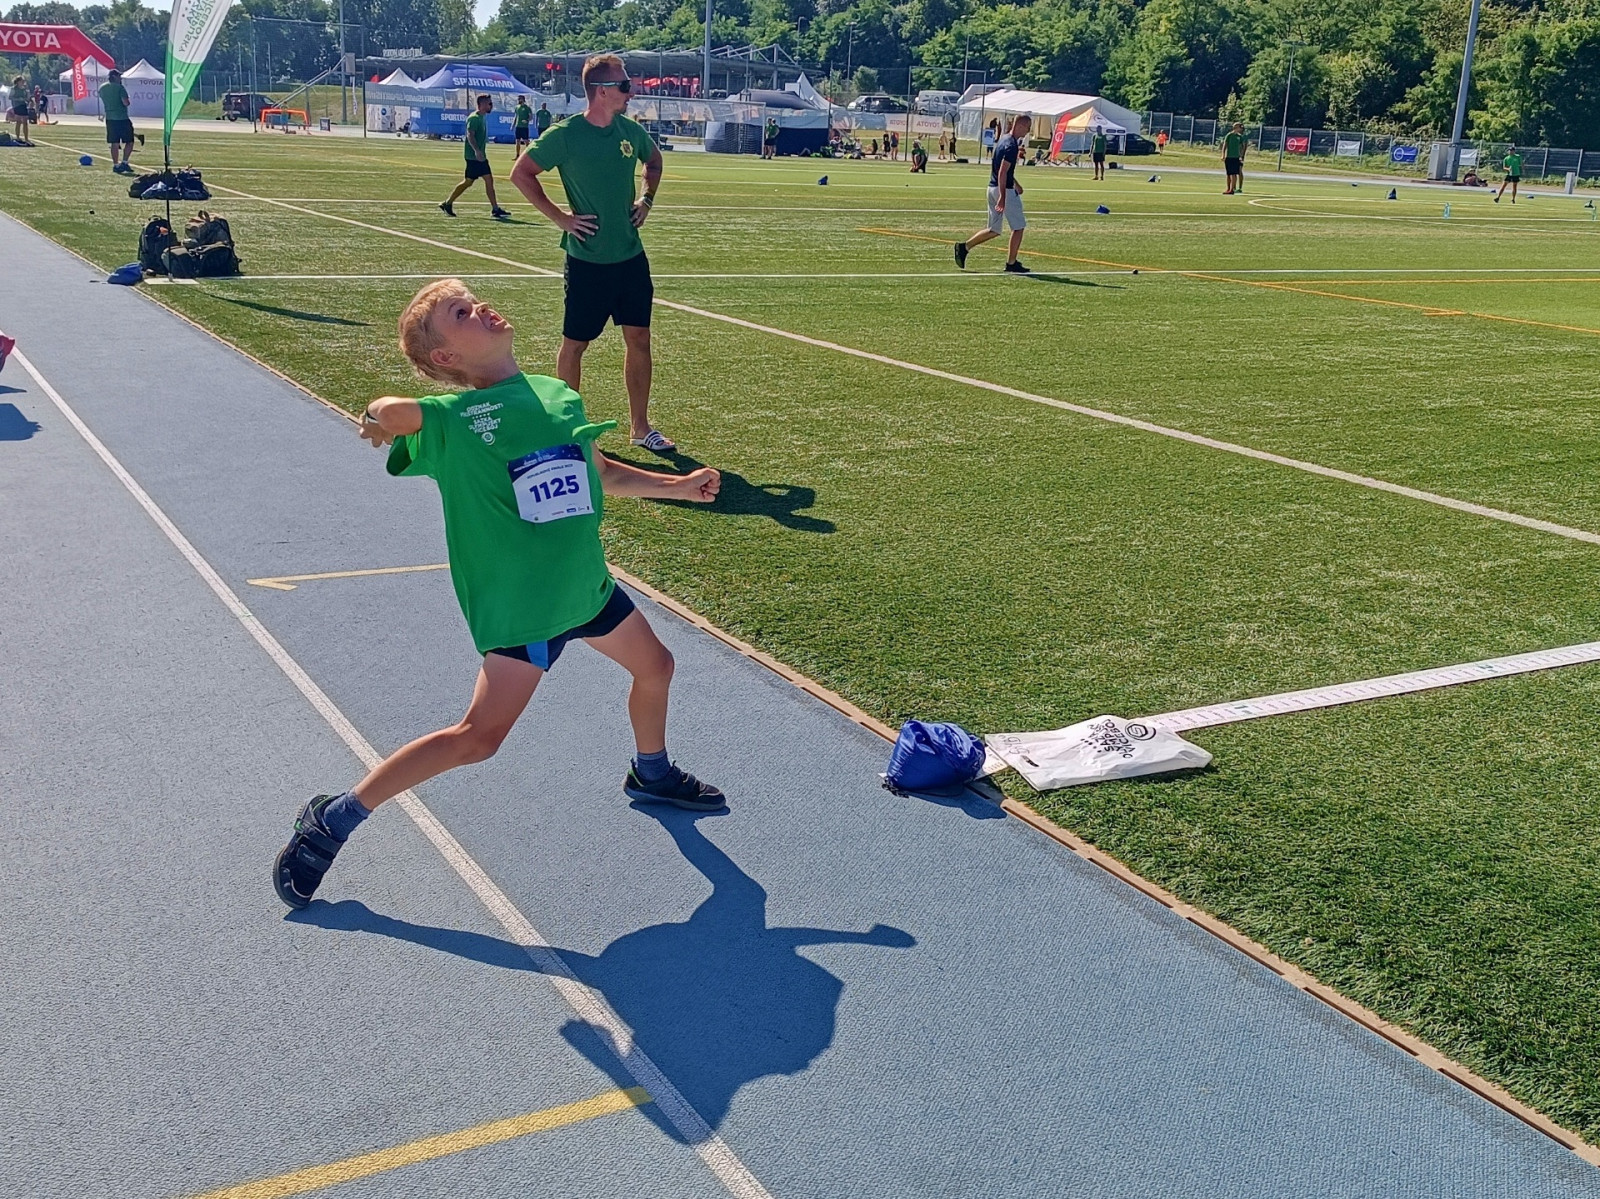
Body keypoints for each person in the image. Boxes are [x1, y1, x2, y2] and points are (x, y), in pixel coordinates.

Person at [272, 278, 726, 910]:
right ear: (445, 357)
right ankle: (334, 818)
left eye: (474, 299)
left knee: (656, 667)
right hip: (524, 613)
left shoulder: (556, 394)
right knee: (477, 739)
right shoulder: (451, 421)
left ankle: (651, 772)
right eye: (461, 312)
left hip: (587, 590)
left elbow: (596, 472)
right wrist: (377, 416)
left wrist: (676, 487)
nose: (479, 307)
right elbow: (393, 412)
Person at [512, 54, 675, 452]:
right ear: (601, 91)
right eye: (624, 86)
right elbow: (521, 173)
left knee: (639, 338)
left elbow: (654, 162)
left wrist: (646, 200)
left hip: (630, 257)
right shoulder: (566, 135)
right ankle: (566, 428)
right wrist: (561, 218)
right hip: (587, 261)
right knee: (575, 344)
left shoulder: (630, 131)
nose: (630, 92)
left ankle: (640, 428)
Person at [954, 113, 1031, 274]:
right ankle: (1011, 263)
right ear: (1020, 125)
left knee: (994, 229)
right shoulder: (1011, 145)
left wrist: (1016, 184)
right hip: (1004, 191)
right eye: (1027, 127)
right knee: (1018, 227)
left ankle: (964, 247)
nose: (1028, 131)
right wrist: (1003, 196)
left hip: (992, 188)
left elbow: (1002, 170)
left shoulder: (1003, 139)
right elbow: (1002, 172)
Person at [440, 95, 510, 219]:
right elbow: (470, 135)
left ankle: (495, 208)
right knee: (471, 181)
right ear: (482, 104)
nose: (491, 106)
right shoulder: (474, 118)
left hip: (479, 157)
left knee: (478, 181)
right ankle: (448, 203)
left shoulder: (482, 117)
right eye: (489, 104)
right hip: (474, 157)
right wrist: (477, 151)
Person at [100, 69, 136, 173]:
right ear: (114, 77)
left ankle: (115, 165)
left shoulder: (102, 88)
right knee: (129, 141)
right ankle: (124, 162)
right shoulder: (120, 88)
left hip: (110, 118)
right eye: (119, 76)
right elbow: (126, 103)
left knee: (114, 143)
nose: (120, 78)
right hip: (122, 118)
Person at [1222, 121, 1246, 194]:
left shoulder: (1240, 137)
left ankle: (1232, 189)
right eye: (1240, 127)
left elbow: (1242, 147)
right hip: (1229, 156)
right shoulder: (1229, 135)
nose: (1241, 129)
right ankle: (1228, 188)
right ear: (1235, 127)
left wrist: (1241, 156)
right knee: (1228, 174)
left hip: (1236, 157)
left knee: (1234, 173)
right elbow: (1225, 145)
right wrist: (1223, 154)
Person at [10, 76, 32, 146]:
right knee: (18, 122)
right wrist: (18, 99)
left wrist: (29, 98)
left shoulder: (24, 89)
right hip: (17, 106)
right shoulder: (13, 89)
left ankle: (26, 138)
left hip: (23, 105)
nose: (23, 82)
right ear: (18, 81)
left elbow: (27, 98)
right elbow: (10, 97)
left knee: (25, 122)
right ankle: (18, 137)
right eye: (22, 81)